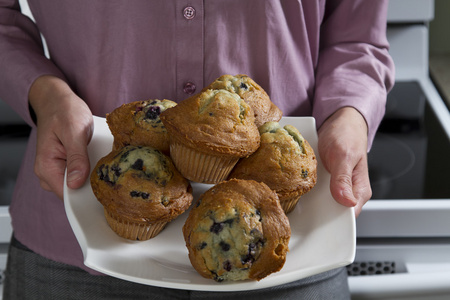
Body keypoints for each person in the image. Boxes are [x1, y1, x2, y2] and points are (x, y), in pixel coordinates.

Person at [0, 0, 394, 299]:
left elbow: (356, 39)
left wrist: (350, 117)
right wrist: (46, 95)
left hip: (294, 254)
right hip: (74, 247)